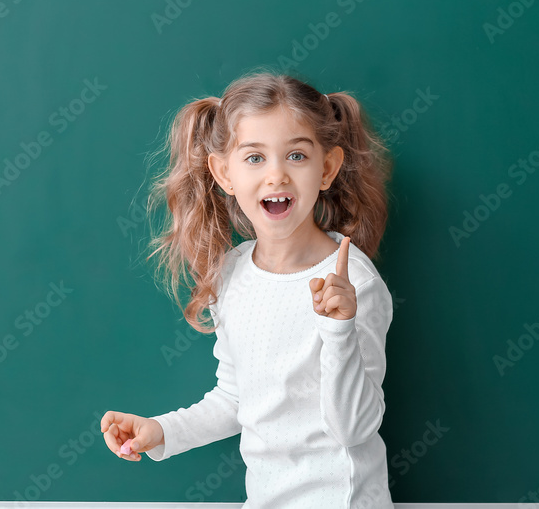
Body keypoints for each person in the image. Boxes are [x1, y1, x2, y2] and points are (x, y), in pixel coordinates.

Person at [101, 69, 395, 508]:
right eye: (255, 158)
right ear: (224, 174)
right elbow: (236, 399)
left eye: (296, 156)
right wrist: (162, 431)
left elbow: (355, 427)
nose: (276, 175)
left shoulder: (353, 284)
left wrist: (340, 330)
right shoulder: (232, 273)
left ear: (327, 169)